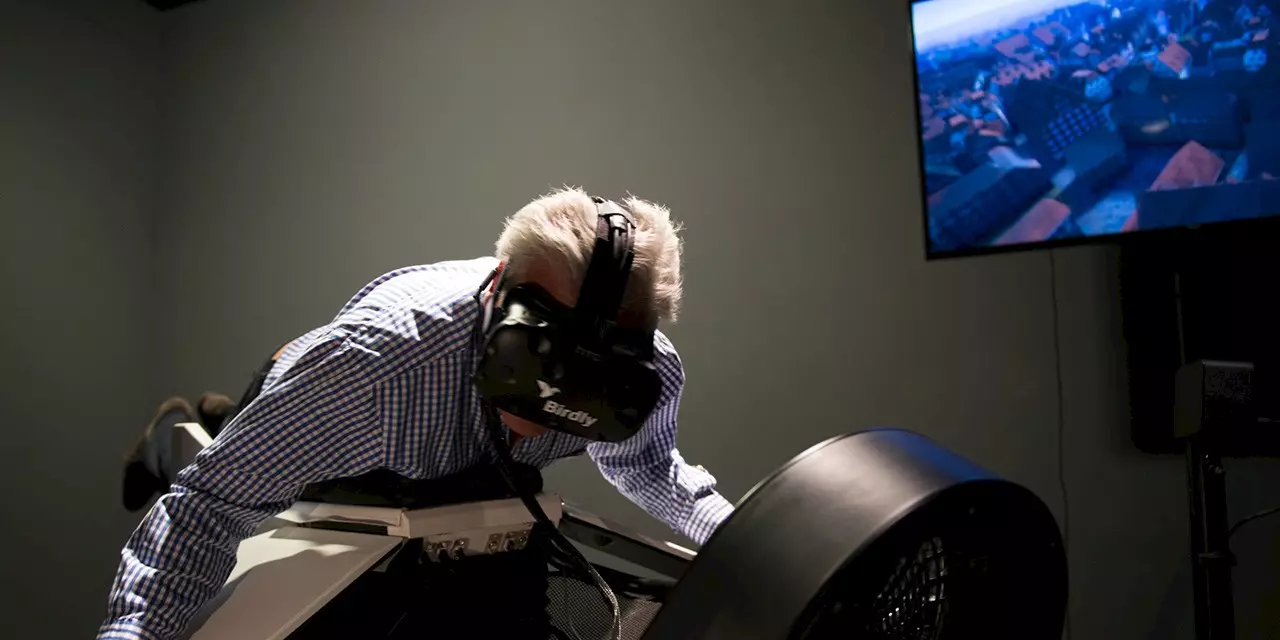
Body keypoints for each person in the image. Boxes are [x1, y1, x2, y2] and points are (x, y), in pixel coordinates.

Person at [97, 187, 735, 640]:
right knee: (225, 437)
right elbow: (210, 506)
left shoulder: (643, 373)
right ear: (496, 289)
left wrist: (750, 545)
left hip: (460, 464)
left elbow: (648, 468)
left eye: (586, 378)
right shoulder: (373, 366)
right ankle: (181, 430)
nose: (550, 400)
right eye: (540, 356)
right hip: (342, 409)